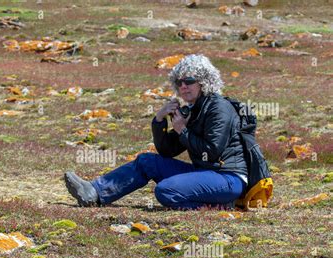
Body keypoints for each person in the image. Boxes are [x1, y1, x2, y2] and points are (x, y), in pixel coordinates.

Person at [64, 54, 248, 210]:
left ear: (204, 81)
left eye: (189, 80)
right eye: (179, 81)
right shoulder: (193, 110)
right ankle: (94, 192)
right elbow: (167, 151)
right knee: (147, 161)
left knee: (166, 190)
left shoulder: (219, 108)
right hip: (205, 173)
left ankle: (221, 205)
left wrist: (182, 130)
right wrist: (159, 120)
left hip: (228, 178)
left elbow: (212, 151)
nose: (183, 85)